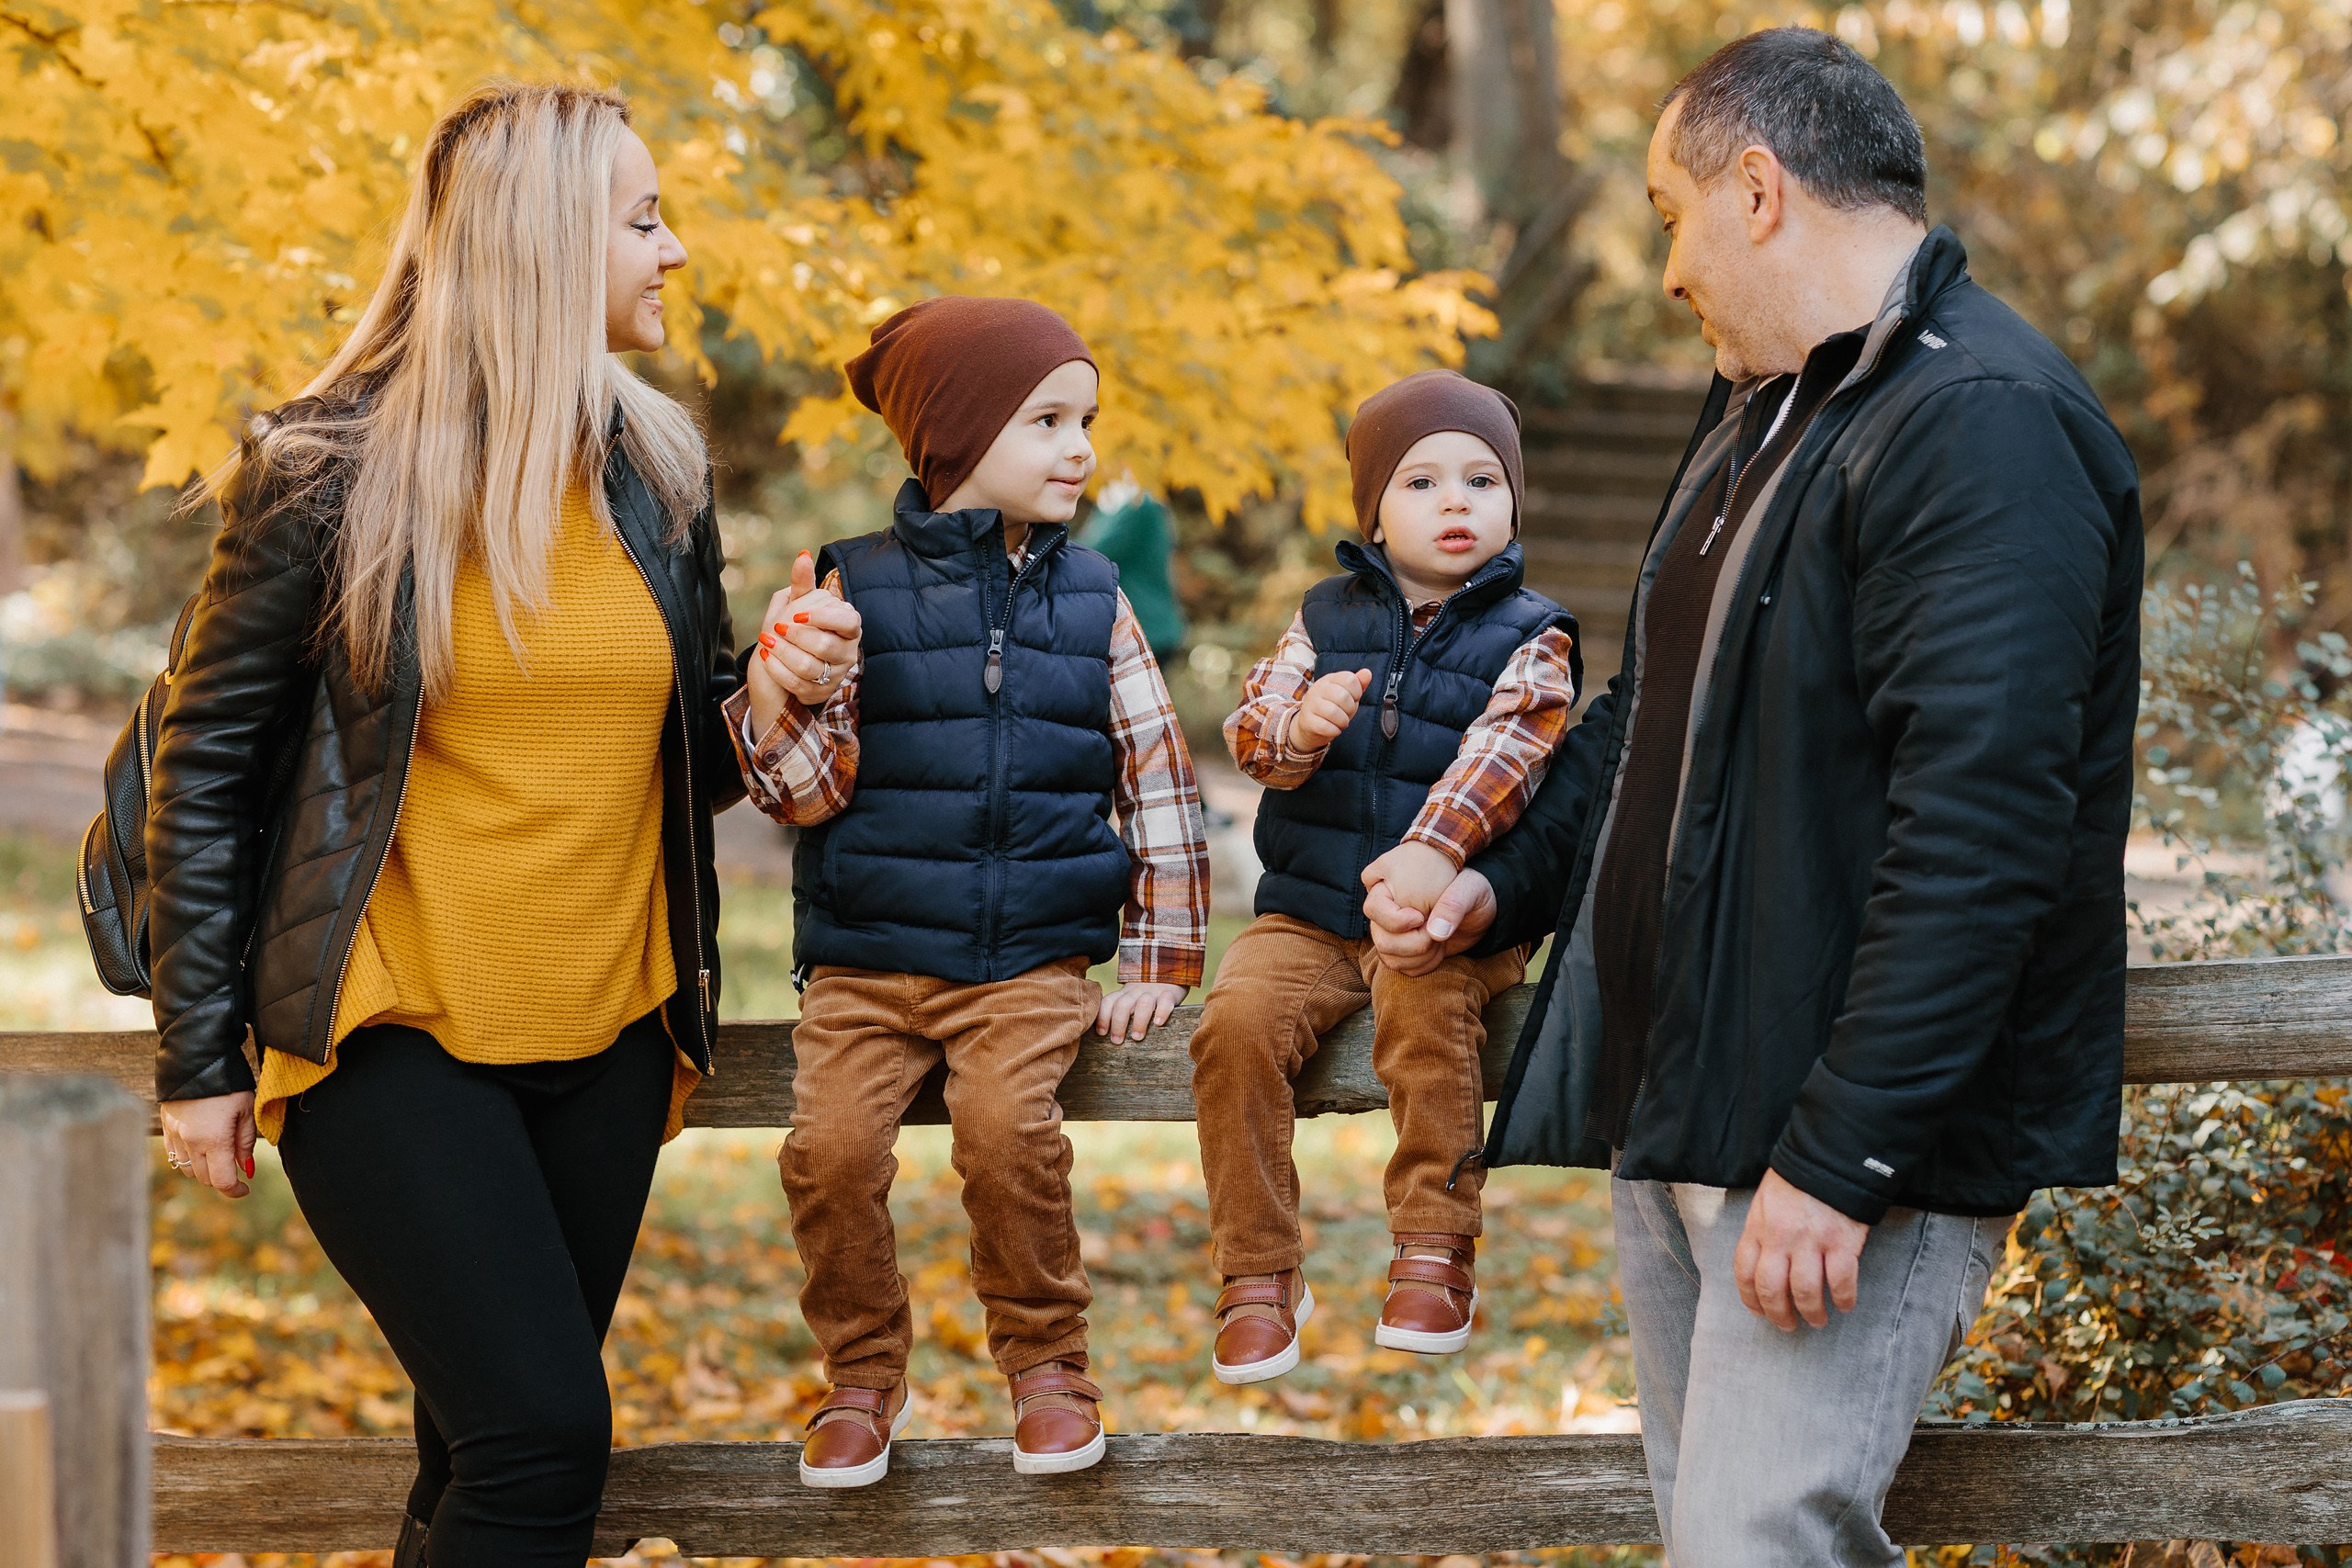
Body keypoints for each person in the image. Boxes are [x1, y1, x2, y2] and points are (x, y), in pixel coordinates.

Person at [1362, 29, 2143, 1566]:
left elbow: (1986, 828)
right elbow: (1657, 709)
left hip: (1842, 1145)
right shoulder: (1764, 406)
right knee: (1715, 1542)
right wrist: (1499, 880)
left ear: (1761, 190)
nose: (1667, 270)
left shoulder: (1981, 419)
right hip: (1693, 1106)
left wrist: (1841, 1156)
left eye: (1671, 212)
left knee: (1754, 1543)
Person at [139, 84, 830, 1568]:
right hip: (388, 1026)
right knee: (541, 1440)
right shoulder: (326, 470)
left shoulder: (658, 467)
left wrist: (762, 696)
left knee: (475, 1455)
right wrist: (199, 1057)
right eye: (643, 220)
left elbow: (662, 758)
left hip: (611, 1031)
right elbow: (206, 768)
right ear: (541, 241)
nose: (677, 251)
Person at [726, 296, 1210, 1487]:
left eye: (1085, 418)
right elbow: (801, 792)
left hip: (1025, 960)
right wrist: (783, 690)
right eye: (1047, 419)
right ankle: (858, 1373)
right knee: (830, 1152)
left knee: (1008, 1137)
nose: (1079, 446)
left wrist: (1158, 955)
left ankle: (1048, 1366)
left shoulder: (1097, 598)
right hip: (866, 965)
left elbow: (1158, 779)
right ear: (952, 435)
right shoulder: (850, 586)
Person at [1186, 370, 1577, 1382]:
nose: (1456, 502)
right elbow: (1252, 733)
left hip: (1450, 917)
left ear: (1512, 502)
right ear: (1372, 507)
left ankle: (1433, 1244)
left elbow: (1504, 759)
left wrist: (1433, 853)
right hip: (1311, 909)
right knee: (1232, 1027)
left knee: (1423, 1006)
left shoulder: (1534, 634)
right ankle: (1258, 1270)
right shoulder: (1322, 618)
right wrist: (1296, 728)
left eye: (1482, 481)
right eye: (1422, 482)